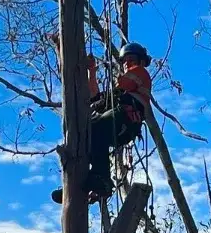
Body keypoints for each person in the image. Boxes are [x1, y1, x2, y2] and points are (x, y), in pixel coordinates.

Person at [51, 41, 153, 204]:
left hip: (126, 119)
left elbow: (124, 82)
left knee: (94, 127)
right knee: (88, 136)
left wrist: (110, 67)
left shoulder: (140, 73)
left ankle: (102, 179)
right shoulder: (121, 90)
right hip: (118, 124)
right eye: (124, 60)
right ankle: (79, 183)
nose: (127, 63)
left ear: (141, 61)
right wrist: (92, 70)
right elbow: (95, 97)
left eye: (131, 59)